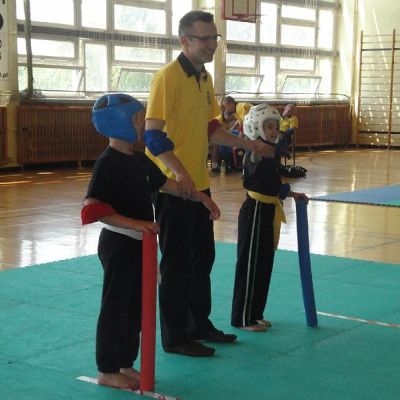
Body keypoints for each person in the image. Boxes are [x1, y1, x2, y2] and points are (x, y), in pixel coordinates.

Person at [144, 10, 275, 357]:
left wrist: (248, 144)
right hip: (173, 186)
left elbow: (210, 130)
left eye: (214, 38)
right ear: (184, 40)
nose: (211, 45)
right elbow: (152, 136)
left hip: (198, 183)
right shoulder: (167, 78)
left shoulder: (203, 78)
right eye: (203, 38)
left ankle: (198, 324)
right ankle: (175, 337)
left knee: (203, 257)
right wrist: (180, 172)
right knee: (176, 263)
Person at [81, 93, 221, 390]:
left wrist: (201, 198)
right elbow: (93, 209)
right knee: (116, 307)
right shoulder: (107, 163)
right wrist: (136, 224)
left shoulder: (138, 159)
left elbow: (167, 185)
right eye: (136, 119)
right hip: (118, 244)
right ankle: (107, 369)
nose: (142, 124)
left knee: (135, 307)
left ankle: (124, 362)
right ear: (116, 122)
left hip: (140, 246)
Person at [231, 104, 308, 332]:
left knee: (264, 264)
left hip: (268, 210)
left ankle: (256, 313)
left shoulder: (271, 152)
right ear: (256, 128)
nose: (274, 131)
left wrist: (291, 193)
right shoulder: (255, 152)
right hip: (254, 211)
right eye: (269, 127)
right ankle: (242, 318)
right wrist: (255, 149)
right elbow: (255, 168)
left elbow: (272, 184)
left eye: (276, 127)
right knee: (250, 265)